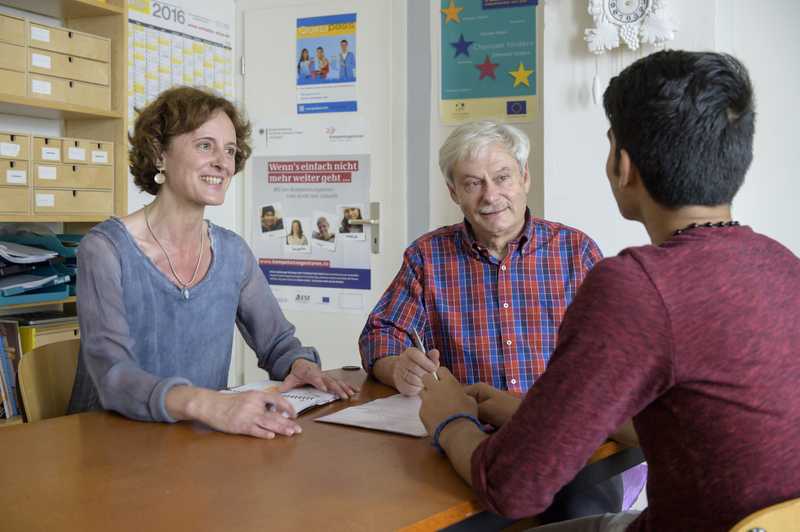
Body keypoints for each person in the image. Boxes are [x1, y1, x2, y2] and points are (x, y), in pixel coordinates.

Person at [418, 50, 800, 531]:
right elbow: (690, 422)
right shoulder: (783, 264)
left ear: (622, 164)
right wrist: (533, 414)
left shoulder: (636, 286)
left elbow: (511, 488)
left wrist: (450, 418)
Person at [359, 121, 626, 521]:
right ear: (454, 193)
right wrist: (397, 365)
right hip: (468, 439)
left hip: (568, 443)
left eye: (502, 178)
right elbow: (379, 334)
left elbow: (618, 357)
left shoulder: (576, 252)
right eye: (473, 183)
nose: (491, 195)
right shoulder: (427, 257)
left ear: (525, 178)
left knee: (582, 519)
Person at [68, 87, 356, 439]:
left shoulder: (232, 252)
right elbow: (114, 375)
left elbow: (277, 342)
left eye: (230, 150)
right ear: (160, 154)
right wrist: (209, 405)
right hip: (110, 447)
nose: (223, 162)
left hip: (195, 443)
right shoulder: (104, 249)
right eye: (206, 145)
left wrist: (300, 365)